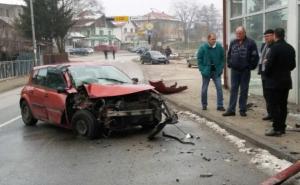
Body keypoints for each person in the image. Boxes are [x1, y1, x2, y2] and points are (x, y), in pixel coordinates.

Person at [264, 28, 296, 136]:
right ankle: (282, 127)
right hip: (286, 81)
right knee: (283, 105)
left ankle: (276, 128)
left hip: (273, 82)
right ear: (284, 35)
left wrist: (267, 70)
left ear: (275, 36)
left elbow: (269, 66)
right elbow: (292, 66)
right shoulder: (290, 48)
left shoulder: (274, 48)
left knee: (273, 106)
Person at [223, 26, 259, 117]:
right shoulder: (233, 42)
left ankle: (242, 109)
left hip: (245, 71)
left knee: (244, 90)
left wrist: (250, 67)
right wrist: (230, 64)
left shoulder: (251, 43)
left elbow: (255, 57)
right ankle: (231, 110)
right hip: (235, 71)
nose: (238, 35)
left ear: (244, 33)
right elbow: (229, 54)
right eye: (237, 33)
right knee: (233, 90)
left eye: (240, 33)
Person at [197, 33, 225, 111]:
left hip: (216, 71)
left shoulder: (219, 47)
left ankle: (220, 105)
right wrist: (202, 69)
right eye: (212, 39)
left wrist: (221, 67)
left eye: (215, 39)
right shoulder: (203, 48)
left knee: (219, 88)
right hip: (206, 72)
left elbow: (223, 57)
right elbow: (199, 59)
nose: (214, 40)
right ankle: (204, 105)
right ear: (208, 39)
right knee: (204, 89)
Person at [258, 29, 275, 121]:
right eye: (265, 36)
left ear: (273, 36)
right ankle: (270, 113)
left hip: (271, 74)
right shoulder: (264, 45)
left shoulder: (275, 46)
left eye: (268, 36)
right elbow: (261, 57)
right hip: (263, 73)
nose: (266, 38)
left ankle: (274, 114)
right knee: (266, 94)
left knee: (272, 95)